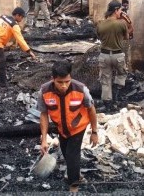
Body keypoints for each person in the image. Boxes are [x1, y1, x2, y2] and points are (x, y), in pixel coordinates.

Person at [37, 60, 98, 192]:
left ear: (70, 77)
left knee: (72, 154)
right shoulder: (44, 91)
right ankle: (77, 174)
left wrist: (94, 132)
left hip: (78, 127)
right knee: (65, 152)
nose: (64, 85)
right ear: (53, 79)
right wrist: (43, 140)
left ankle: (74, 185)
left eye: (67, 81)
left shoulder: (81, 89)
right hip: (62, 128)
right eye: (60, 82)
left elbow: (91, 109)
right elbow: (43, 115)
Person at [0, 7, 36, 87]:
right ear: (17, 15)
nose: (22, 19)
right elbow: (20, 39)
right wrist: (29, 51)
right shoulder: (14, 25)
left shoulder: (3, 17)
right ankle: (3, 84)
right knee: (1, 64)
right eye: (22, 17)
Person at [96, 0, 129, 102]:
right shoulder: (122, 23)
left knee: (105, 80)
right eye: (120, 10)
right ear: (116, 10)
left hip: (104, 56)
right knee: (122, 74)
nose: (121, 13)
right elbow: (127, 37)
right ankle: (116, 92)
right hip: (118, 55)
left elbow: (99, 37)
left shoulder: (100, 24)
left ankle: (107, 103)